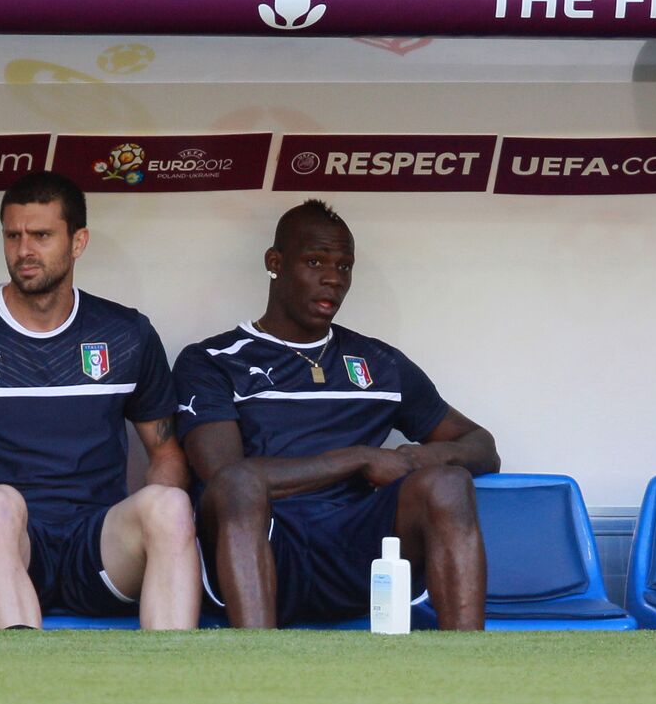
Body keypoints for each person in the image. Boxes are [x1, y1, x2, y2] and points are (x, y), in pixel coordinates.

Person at [0, 171, 202, 630]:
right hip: (2, 546)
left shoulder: (126, 335)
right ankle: (20, 684)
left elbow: (166, 453)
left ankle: (175, 686)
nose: (24, 250)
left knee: (170, 505)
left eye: (41, 235)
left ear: (77, 241)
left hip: (97, 546)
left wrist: (145, 521)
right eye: (13, 236)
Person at [173, 199, 499, 630]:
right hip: (266, 548)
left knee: (449, 481)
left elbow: (482, 446)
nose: (332, 279)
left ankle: (469, 663)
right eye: (314, 261)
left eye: (344, 267)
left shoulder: (378, 362)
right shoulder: (212, 360)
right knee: (237, 486)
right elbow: (226, 476)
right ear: (275, 263)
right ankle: (255, 659)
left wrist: (417, 460)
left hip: (360, 553)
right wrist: (360, 458)